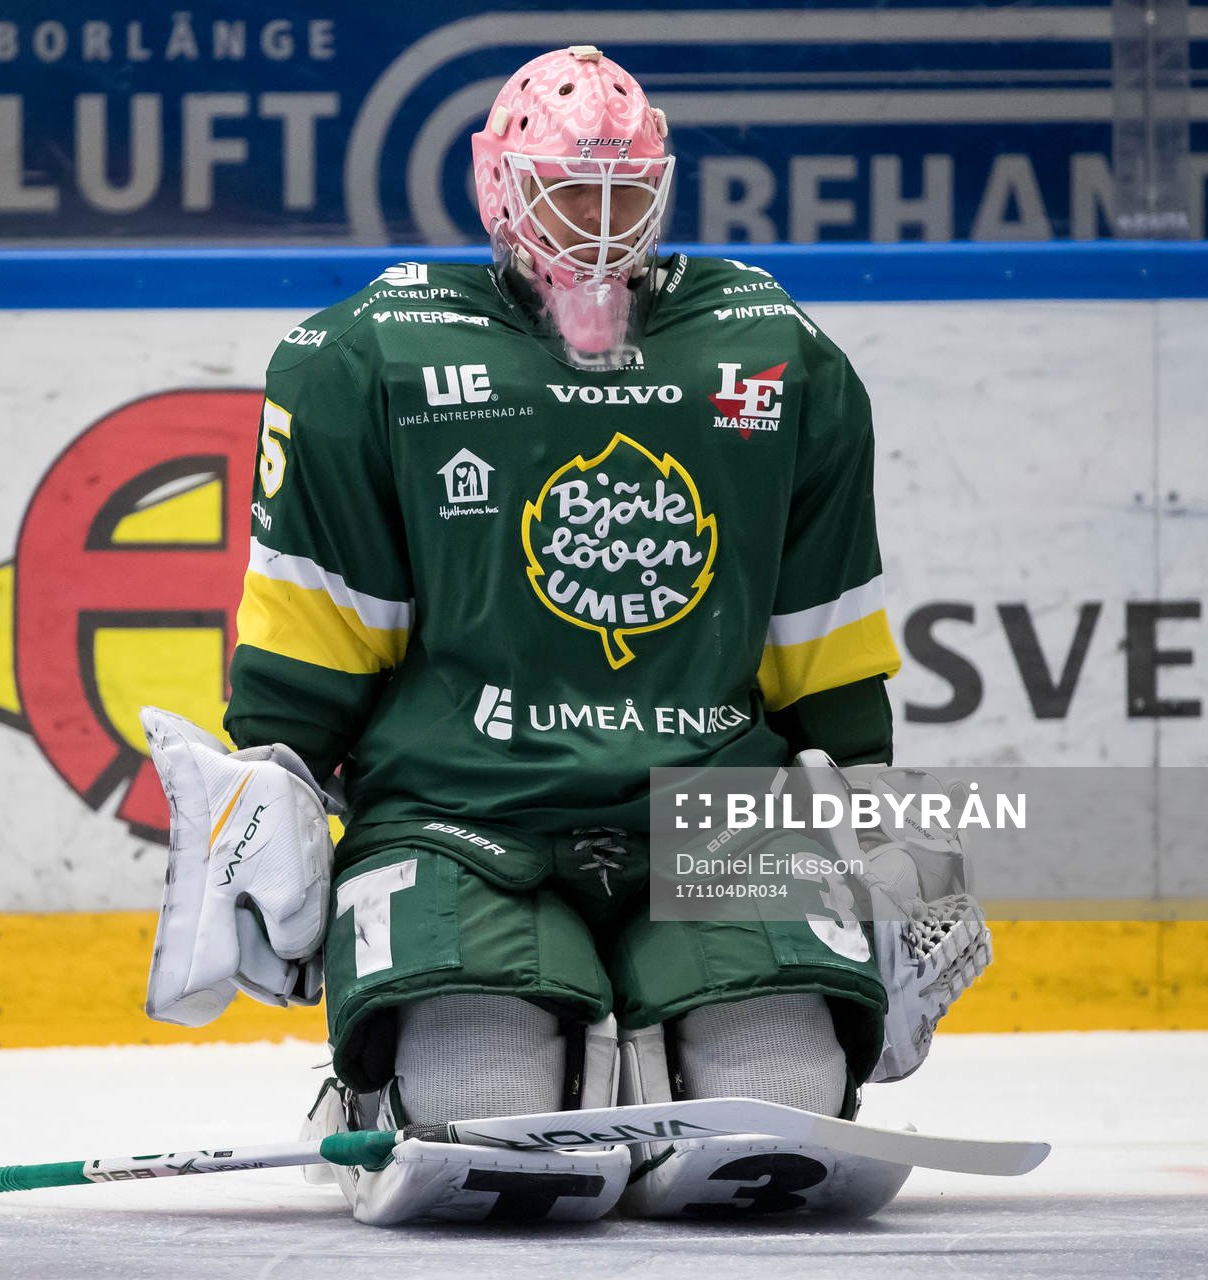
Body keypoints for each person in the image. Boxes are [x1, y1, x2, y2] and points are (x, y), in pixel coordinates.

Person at [138, 45, 990, 1226]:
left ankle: (649, 1058)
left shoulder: (773, 347)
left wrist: (884, 825)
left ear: (666, 190)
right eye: (566, 193)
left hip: (714, 808)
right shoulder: (366, 354)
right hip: (459, 809)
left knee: (785, 1100)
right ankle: (415, 1083)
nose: (597, 226)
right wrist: (272, 779)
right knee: (479, 1110)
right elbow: (324, 633)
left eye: (624, 195)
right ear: (500, 186)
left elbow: (823, 635)